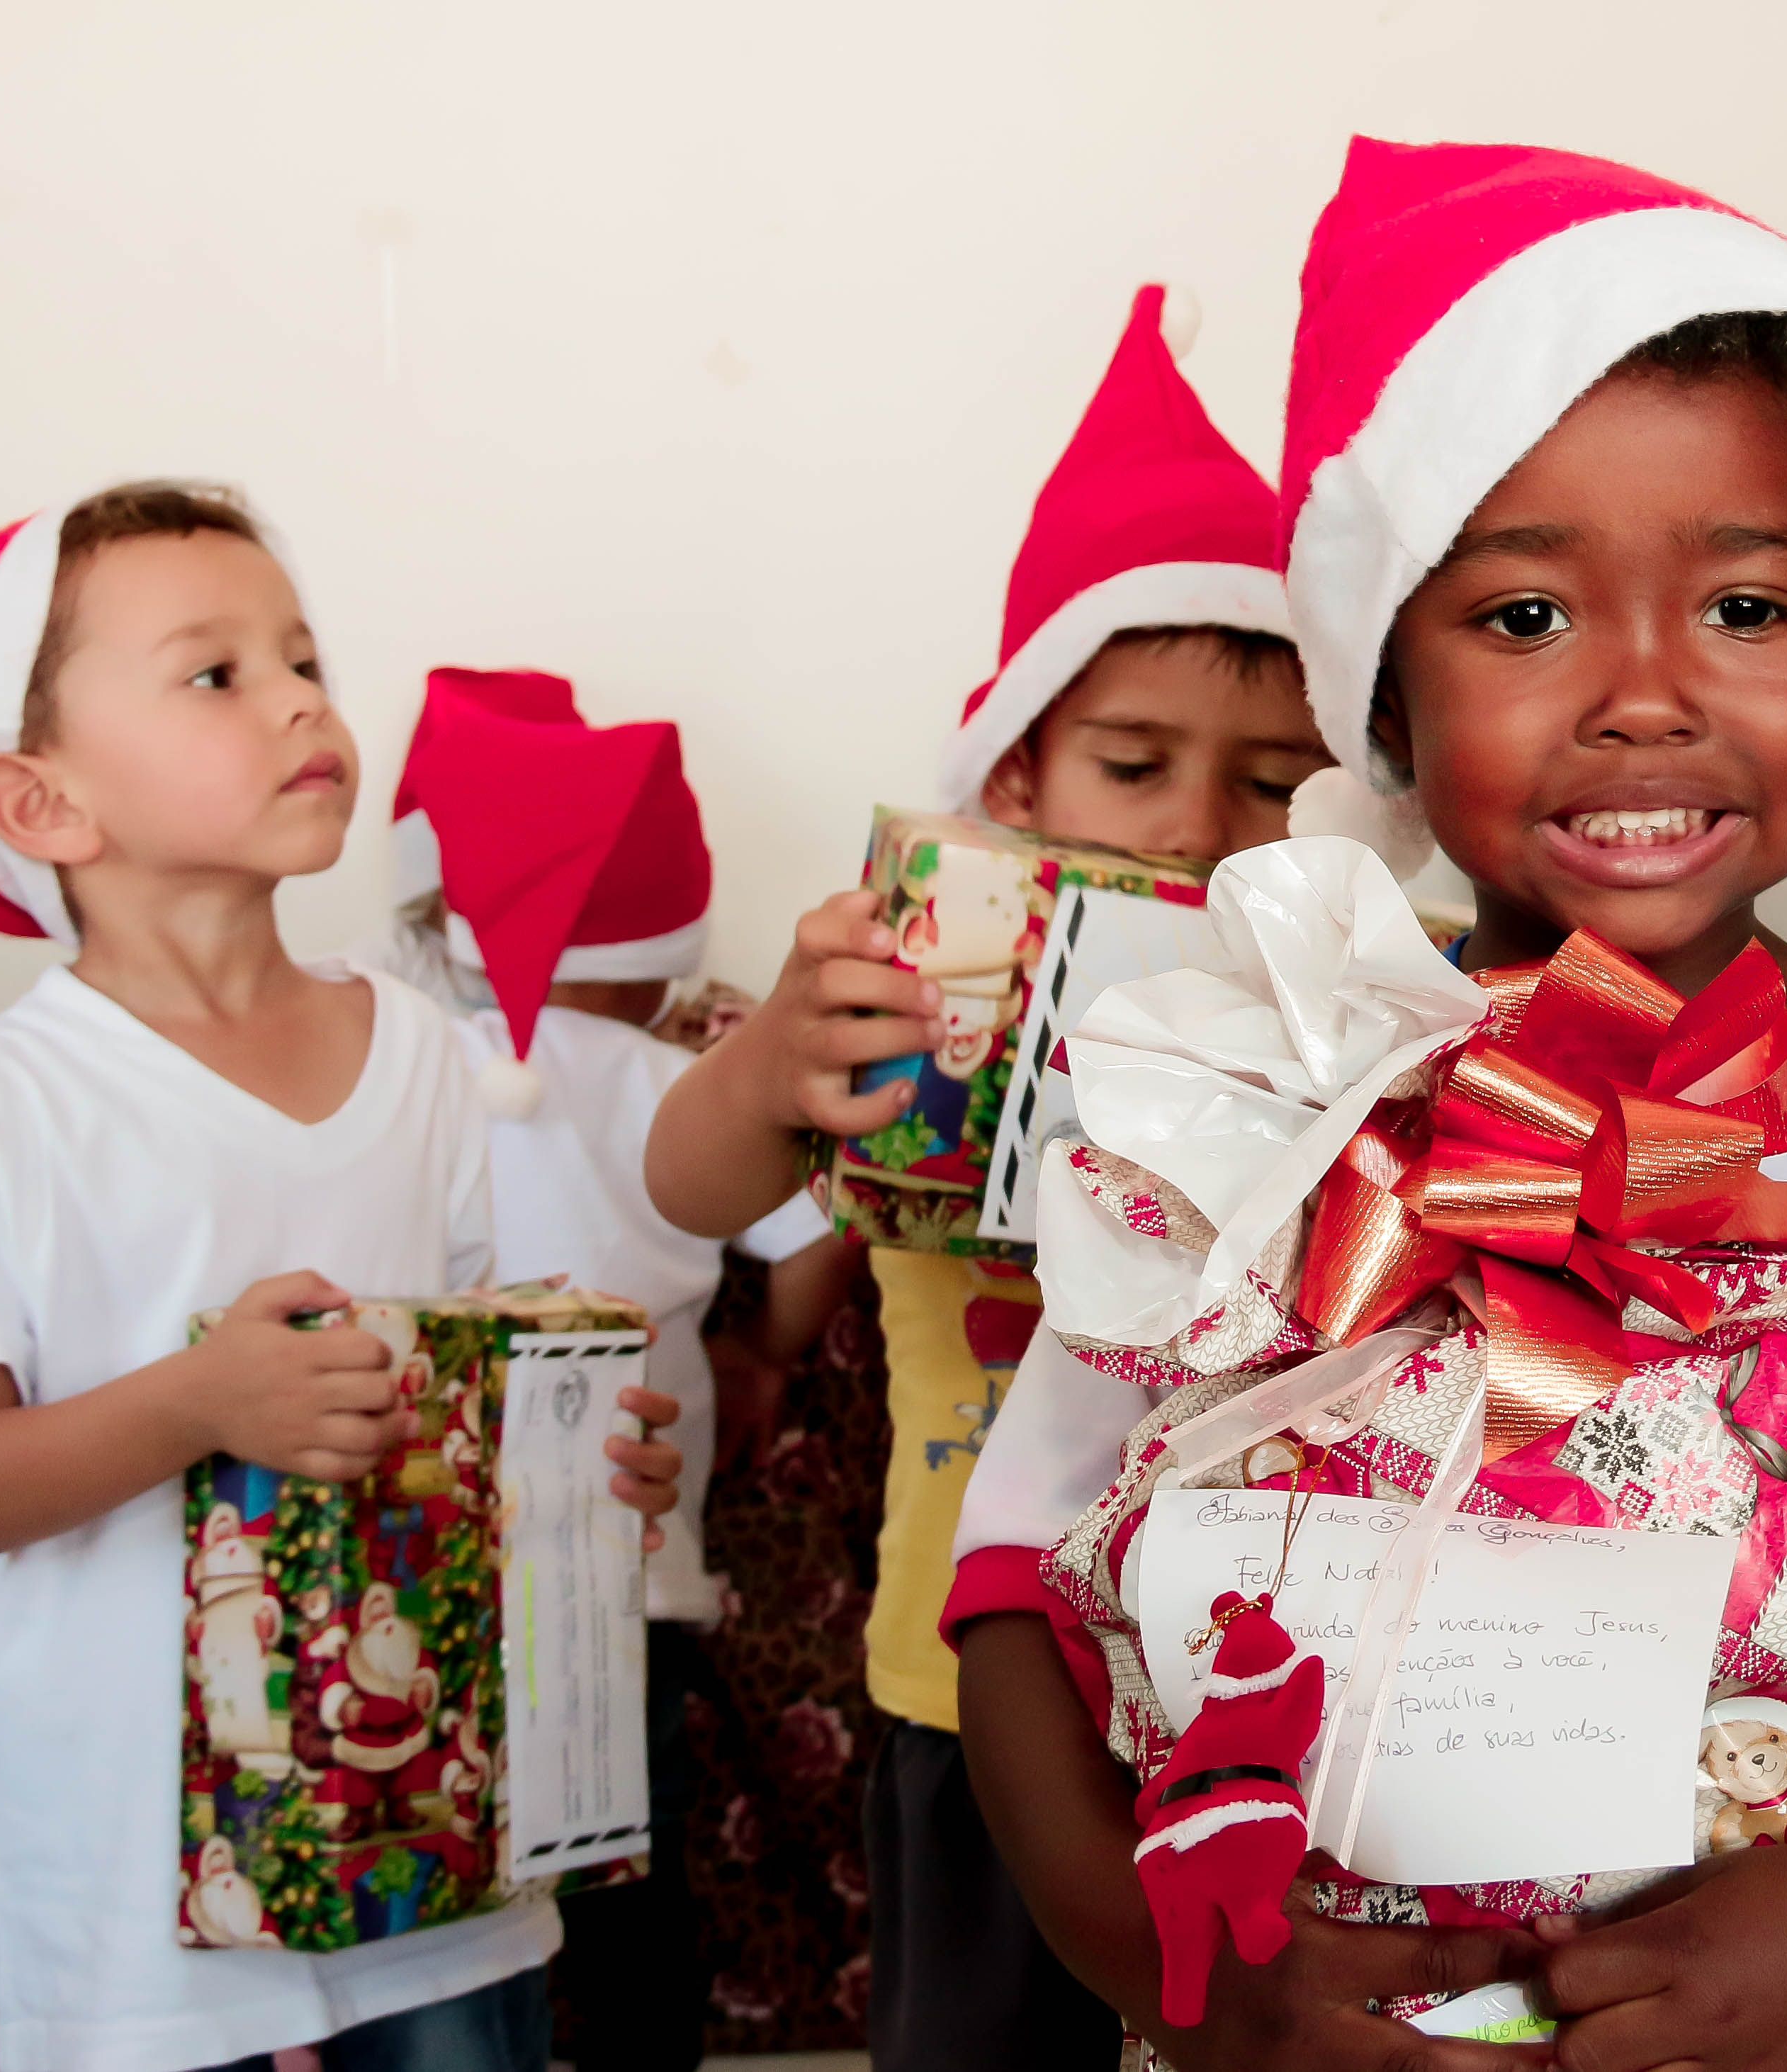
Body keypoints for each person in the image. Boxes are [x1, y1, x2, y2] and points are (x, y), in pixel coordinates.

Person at [943, 138, 1787, 2071]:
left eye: (1746, 609)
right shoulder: (1250, 1104)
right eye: (1520, 619)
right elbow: (1019, 1599)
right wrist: (1167, 1960)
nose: (1645, 694)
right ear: (1382, 696)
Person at [640, 285, 1323, 2070]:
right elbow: (691, 1188)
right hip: (964, 1675)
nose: (1195, 826)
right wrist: (775, 1053)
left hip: (1243, 1677)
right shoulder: (910, 987)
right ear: (1014, 761)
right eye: (1131, 763)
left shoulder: (1327, 993)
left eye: (1267, 787)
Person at [0, 483, 683, 2072]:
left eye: (301, 656)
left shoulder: (420, 1055)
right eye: (215, 674)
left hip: (440, 1860)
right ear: (41, 800)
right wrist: (202, 1402)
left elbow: (459, 1400)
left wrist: (569, 1462)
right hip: (142, 1922)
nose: (299, 700)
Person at [361, 665, 849, 2072]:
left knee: (454, 1860)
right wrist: (756, 1346)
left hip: (437, 1547)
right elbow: (828, 1234)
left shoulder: (404, 1063)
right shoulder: (667, 1076)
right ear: (653, 951)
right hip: (626, 1556)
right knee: (634, 1859)